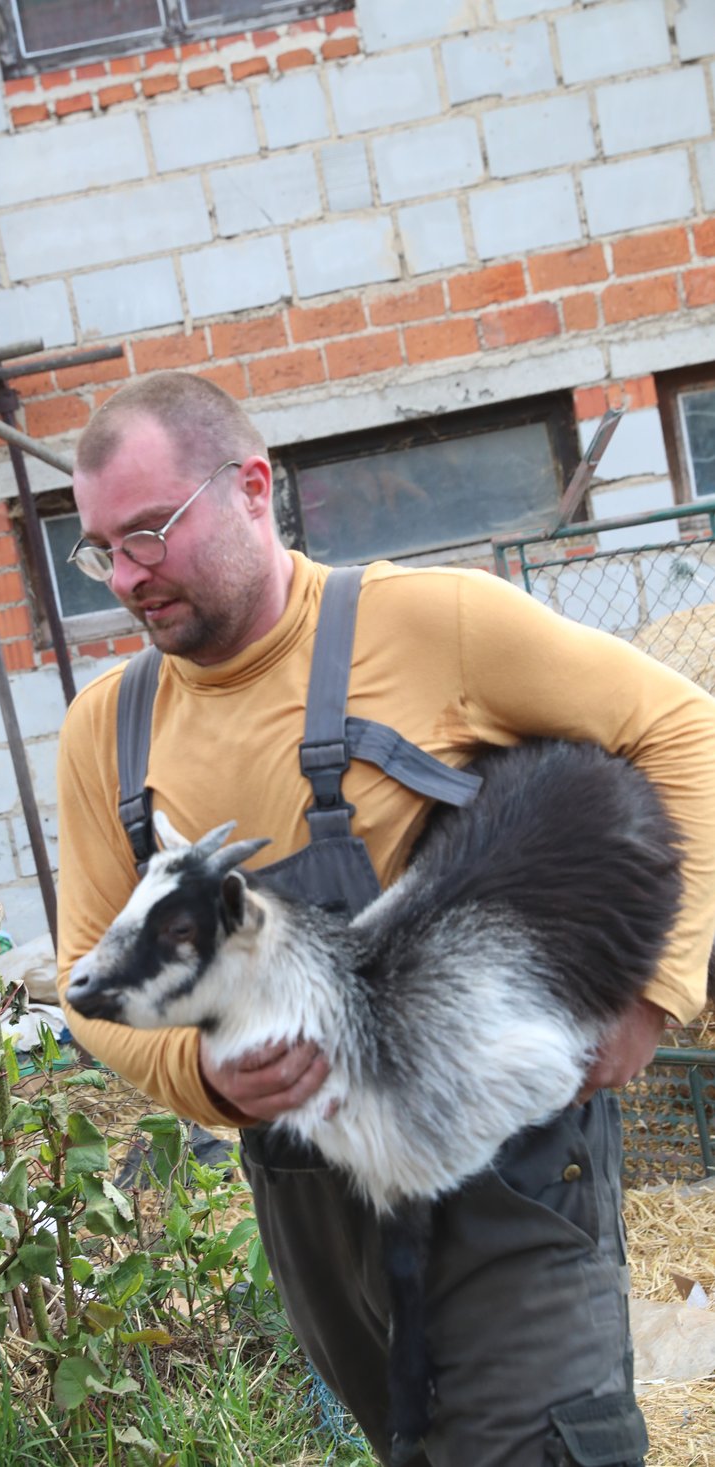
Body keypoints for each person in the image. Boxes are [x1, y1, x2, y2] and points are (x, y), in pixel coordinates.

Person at [55, 370, 715, 1467]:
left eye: (149, 535)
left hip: (507, 1172)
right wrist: (204, 1082)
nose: (126, 576)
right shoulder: (107, 732)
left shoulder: (434, 624)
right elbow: (88, 982)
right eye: (98, 551)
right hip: (310, 1202)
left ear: (252, 488)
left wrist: (658, 986)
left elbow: (685, 734)